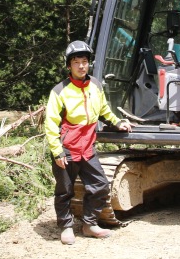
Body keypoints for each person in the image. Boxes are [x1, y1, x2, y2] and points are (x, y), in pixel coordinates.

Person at [44, 40, 133, 245]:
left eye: (85, 61)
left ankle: (89, 224)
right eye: (76, 62)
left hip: (87, 147)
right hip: (66, 148)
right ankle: (66, 226)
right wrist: (57, 151)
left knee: (101, 186)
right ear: (69, 65)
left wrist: (116, 121)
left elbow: (103, 110)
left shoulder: (96, 85)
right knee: (65, 190)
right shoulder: (59, 91)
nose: (82, 66)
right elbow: (51, 123)